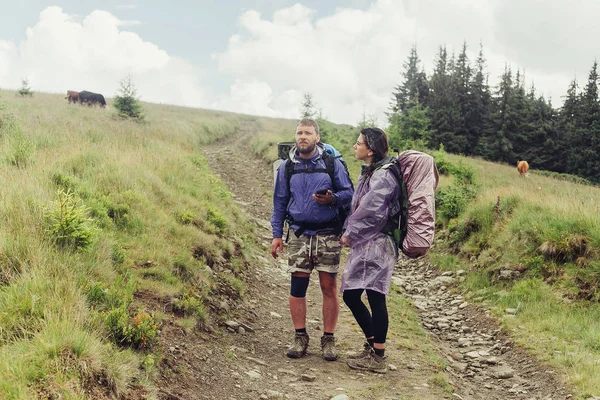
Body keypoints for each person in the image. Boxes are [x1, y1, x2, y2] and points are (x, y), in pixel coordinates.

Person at [270, 118, 354, 361]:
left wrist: (332, 199)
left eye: (307, 133)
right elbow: (279, 203)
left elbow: (349, 192)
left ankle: (328, 339)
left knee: (328, 287)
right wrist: (276, 235)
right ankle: (300, 337)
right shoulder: (287, 166)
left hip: (328, 233)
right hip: (298, 233)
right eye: (299, 133)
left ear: (317, 137)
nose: (302, 137)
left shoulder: (331, 163)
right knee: (298, 286)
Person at [340, 127, 400, 374]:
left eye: (359, 143)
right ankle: (374, 345)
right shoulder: (373, 171)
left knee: (372, 296)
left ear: (371, 148)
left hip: (377, 244)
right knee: (357, 295)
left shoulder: (382, 176)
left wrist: (350, 234)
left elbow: (372, 211)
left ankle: (378, 356)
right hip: (369, 243)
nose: (355, 146)